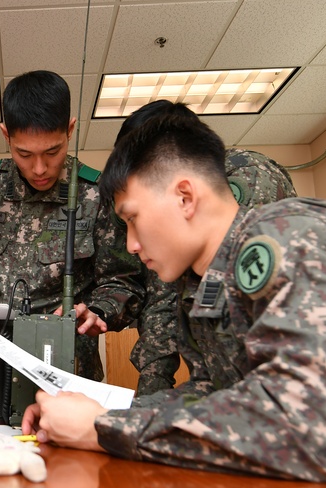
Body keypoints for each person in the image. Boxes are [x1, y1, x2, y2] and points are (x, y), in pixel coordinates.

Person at [22, 112, 326, 481]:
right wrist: (99, 414)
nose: (130, 244)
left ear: (185, 198)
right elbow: (219, 395)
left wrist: (105, 431)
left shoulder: (291, 238)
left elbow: (314, 432)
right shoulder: (203, 284)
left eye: (132, 218)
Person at [0, 70, 142, 381]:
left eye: (53, 152)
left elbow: (123, 281)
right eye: (24, 154)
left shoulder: (97, 194)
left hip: (67, 364)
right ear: (6, 135)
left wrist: (98, 311)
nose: (39, 168)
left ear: (70, 130)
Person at [119, 101, 297, 395]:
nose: (132, 245)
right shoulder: (191, 279)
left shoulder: (252, 183)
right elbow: (163, 299)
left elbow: (283, 401)